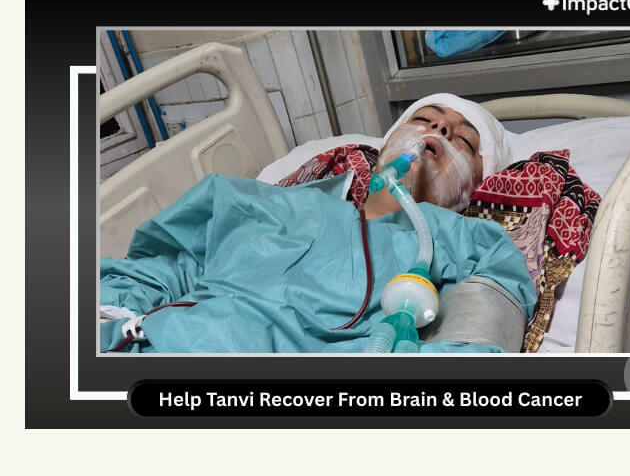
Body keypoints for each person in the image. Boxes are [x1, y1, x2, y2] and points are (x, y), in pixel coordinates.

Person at [99, 94, 536, 353]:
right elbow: (165, 268)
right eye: (424, 118)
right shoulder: (267, 202)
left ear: (477, 183)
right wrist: (110, 315)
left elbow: (475, 342)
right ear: (385, 148)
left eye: (464, 140)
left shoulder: (465, 242)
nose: (438, 128)